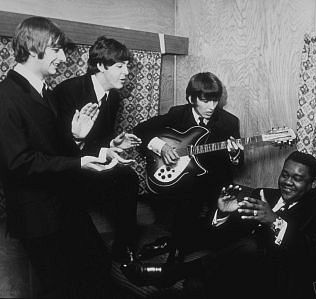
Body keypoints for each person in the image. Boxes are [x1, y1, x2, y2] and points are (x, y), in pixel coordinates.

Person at [0, 17, 121, 298]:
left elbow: (52, 149)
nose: (63, 58)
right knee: (62, 287)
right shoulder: (6, 96)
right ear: (33, 49)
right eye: (56, 50)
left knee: (97, 267)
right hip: (38, 217)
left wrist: (78, 139)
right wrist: (78, 161)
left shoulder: (47, 92)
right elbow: (19, 163)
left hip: (65, 205)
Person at [123, 151, 316, 299]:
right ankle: (179, 273)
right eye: (285, 175)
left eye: (297, 178)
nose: (287, 182)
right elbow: (222, 239)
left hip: (280, 277)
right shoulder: (264, 194)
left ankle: (172, 272)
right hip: (236, 267)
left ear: (313, 184)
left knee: (249, 247)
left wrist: (275, 222)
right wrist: (223, 213)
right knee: (195, 285)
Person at [133, 72, 243, 257]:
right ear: (191, 98)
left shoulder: (229, 122)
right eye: (205, 100)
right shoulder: (178, 114)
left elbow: (238, 162)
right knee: (187, 202)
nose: (212, 107)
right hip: (183, 180)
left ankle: (175, 245)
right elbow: (140, 131)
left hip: (215, 180)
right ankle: (177, 247)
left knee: (223, 229)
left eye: (215, 100)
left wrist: (234, 153)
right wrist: (162, 148)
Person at [53, 36, 142, 262]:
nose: (126, 72)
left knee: (128, 177)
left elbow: (99, 140)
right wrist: (79, 139)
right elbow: (57, 146)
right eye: (120, 66)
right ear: (101, 66)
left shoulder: (113, 98)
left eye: (127, 66)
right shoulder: (69, 91)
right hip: (65, 166)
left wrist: (113, 145)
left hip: (90, 160)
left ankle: (125, 249)